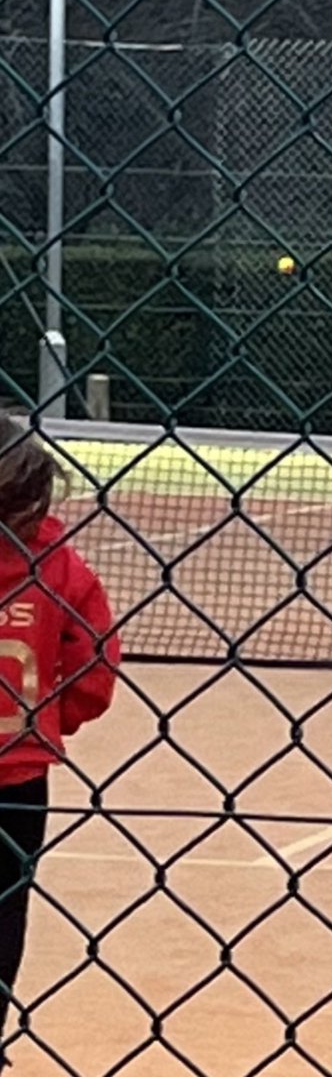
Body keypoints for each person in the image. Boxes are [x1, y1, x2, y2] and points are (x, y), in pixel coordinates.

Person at [0, 417, 119, 1071]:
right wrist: (50, 718)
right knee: (3, 914)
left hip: (19, 771)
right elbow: (96, 666)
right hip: (16, 778)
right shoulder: (60, 566)